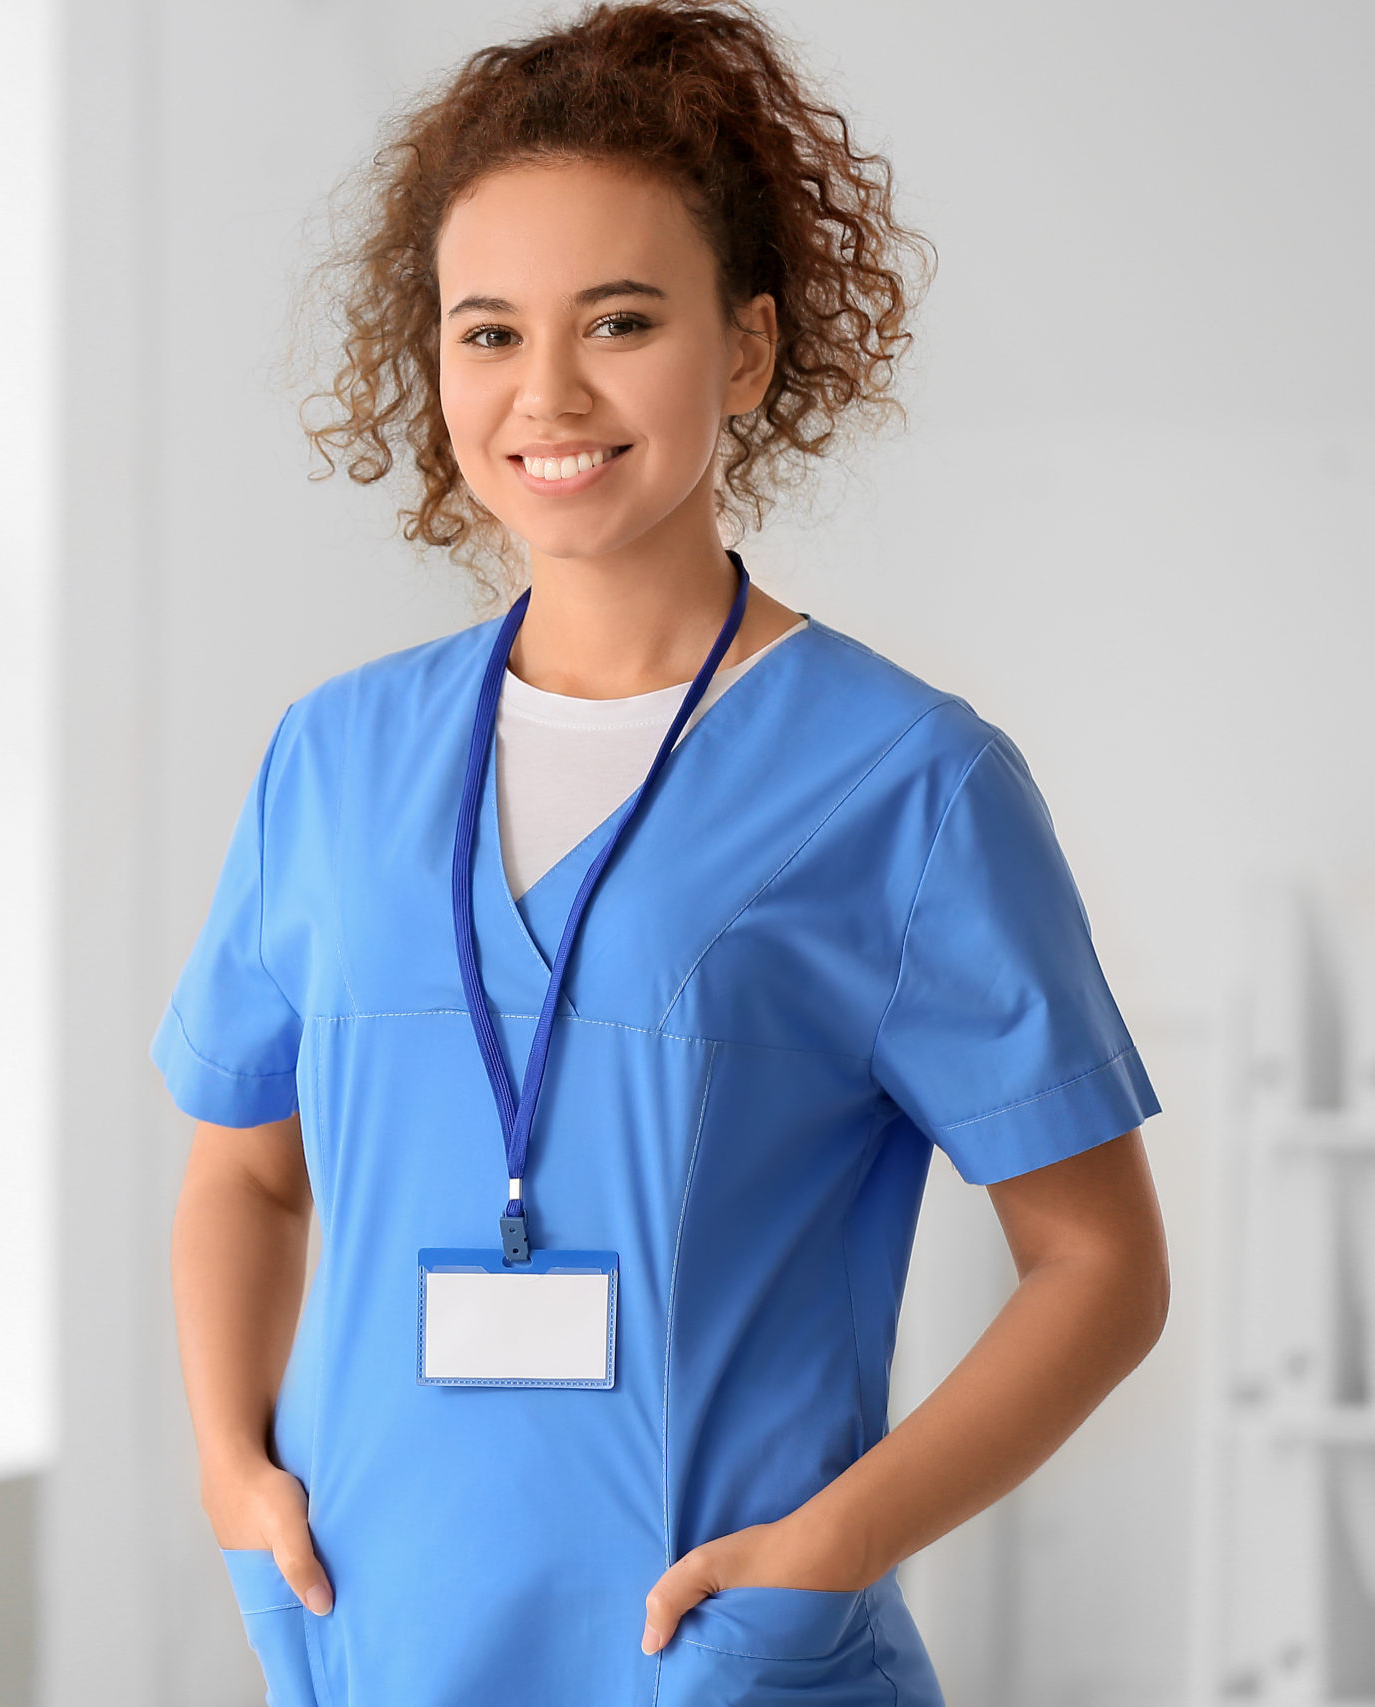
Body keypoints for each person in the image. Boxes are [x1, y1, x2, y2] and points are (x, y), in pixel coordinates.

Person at [154, 3, 1171, 1701]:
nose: (545, 392)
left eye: (619, 321)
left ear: (749, 352)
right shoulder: (333, 761)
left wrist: (842, 1541)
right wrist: (226, 1463)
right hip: (371, 1640)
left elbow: (1104, 1268)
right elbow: (246, 1173)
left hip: (712, 1660)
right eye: (487, 333)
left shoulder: (905, 785)